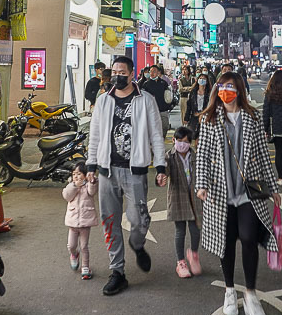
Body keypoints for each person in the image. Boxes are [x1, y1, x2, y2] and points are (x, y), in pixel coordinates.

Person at [195, 72, 280, 315]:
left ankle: (251, 294)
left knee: (249, 239)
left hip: (248, 193)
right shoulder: (209, 119)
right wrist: (201, 184)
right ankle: (229, 290)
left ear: (239, 89)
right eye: (221, 87)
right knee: (226, 242)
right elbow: (202, 154)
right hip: (220, 192)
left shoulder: (252, 117)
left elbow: (264, 155)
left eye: (230, 87)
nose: (225, 91)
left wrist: (273, 187)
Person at [85, 55, 167, 296]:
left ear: (132, 74)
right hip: (107, 171)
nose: (118, 76)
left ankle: (137, 244)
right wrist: (91, 165)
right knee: (110, 222)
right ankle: (117, 272)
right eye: (115, 72)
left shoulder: (146, 100)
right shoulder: (103, 101)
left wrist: (160, 166)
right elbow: (96, 135)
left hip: (136, 172)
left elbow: (156, 136)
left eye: (123, 72)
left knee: (140, 220)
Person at [163, 126, 202, 278]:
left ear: (190, 143)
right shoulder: (169, 157)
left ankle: (193, 253)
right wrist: (161, 176)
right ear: (174, 140)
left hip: (194, 197)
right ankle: (180, 262)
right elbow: (164, 171)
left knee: (195, 229)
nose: (182, 144)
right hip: (178, 197)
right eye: (179, 141)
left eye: (185, 142)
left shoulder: (195, 156)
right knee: (180, 231)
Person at [62, 161, 98, 281]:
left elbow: (92, 192)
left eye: (78, 174)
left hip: (85, 221)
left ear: (85, 174)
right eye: (74, 174)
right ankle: (74, 254)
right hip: (73, 222)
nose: (76, 176)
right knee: (71, 245)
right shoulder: (71, 186)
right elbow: (67, 196)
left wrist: (92, 181)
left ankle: (85, 267)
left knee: (84, 246)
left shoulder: (88, 185)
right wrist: (74, 186)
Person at [141, 64, 175, 137]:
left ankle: (161, 140)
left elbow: (168, 95)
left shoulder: (163, 83)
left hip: (163, 110)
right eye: (150, 71)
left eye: (154, 71)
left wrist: (169, 105)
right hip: (151, 111)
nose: (152, 73)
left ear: (158, 73)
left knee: (165, 127)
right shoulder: (146, 84)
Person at [185, 70, 212, 136]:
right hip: (194, 117)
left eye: (204, 79)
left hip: (205, 117)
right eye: (200, 78)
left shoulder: (210, 93)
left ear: (207, 81)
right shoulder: (193, 92)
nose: (202, 80)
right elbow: (189, 106)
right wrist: (186, 118)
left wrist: (202, 113)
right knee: (193, 136)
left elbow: (210, 106)